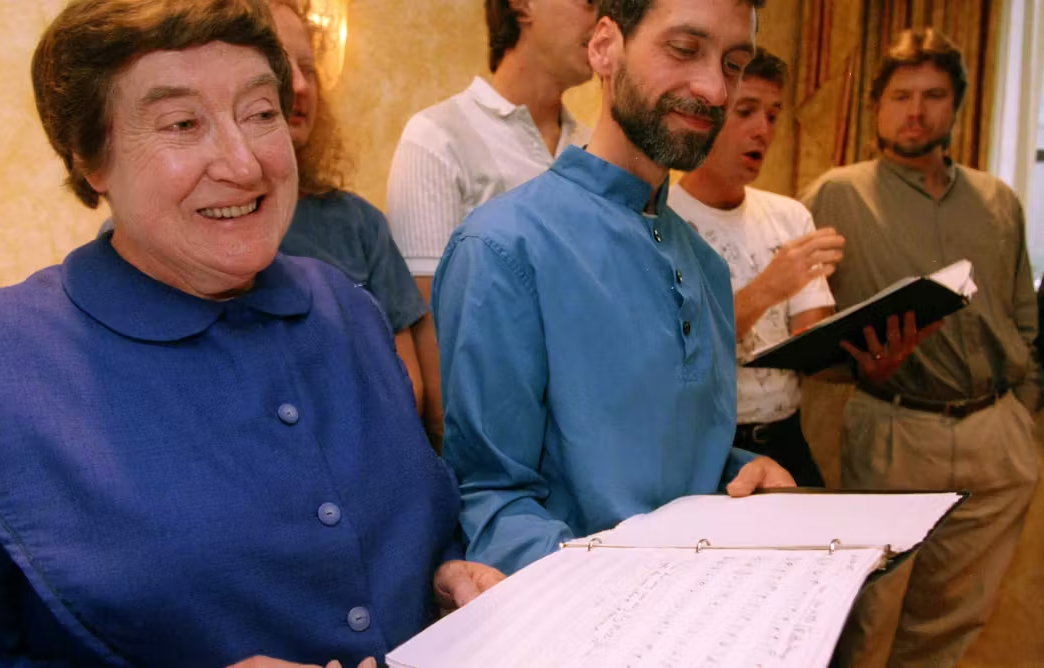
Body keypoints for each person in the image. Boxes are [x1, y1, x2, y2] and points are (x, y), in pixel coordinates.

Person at [0, 1, 501, 666]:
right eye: (182, 124)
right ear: (89, 157)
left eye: (261, 113)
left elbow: (408, 529)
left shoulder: (345, 308)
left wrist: (439, 584)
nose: (243, 163)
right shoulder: (17, 364)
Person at [433, 0, 794, 577]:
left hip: (708, 597)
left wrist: (742, 474)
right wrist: (626, 594)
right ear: (604, 47)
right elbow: (492, 505)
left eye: (733, 64)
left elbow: (672, 460)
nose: (715, 89)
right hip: (578, 613)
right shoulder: (503, 249)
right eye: (684, 49)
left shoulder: (705, 266)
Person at [802, 28, 1041, 668]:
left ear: (955, 105)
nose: (916, 111)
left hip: (995, 436)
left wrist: (1021, 412)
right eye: (901, 96)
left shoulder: (998, 199)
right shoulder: (835, 194)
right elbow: (797, 319)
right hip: (894, 427)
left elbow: (1024, 315)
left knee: (954, 616)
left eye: (933, 95)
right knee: (862, 610)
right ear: (876, 106)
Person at [96, 1, 434, 427]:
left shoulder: (354, 241)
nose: (298, 85)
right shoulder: (145, 247)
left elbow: (406, 392)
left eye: (308, 69)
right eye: (183, 124)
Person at [385, 0, 599, 446]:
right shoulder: (438, 137)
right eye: (589, 2)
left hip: (589, 436)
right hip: (490, 448)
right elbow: (431, 328)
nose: (602, 20)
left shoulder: (592, 149)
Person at [669, 49, 844, 487]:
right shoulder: (661, 219)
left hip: (787, 436)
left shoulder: (790, 216)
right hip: (704, 444)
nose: (762, 130)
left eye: (773, 115)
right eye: (745, 111)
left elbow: (813, 348)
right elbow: (674, 354)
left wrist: (871, 356)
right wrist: (768, 288)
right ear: (704, 116)